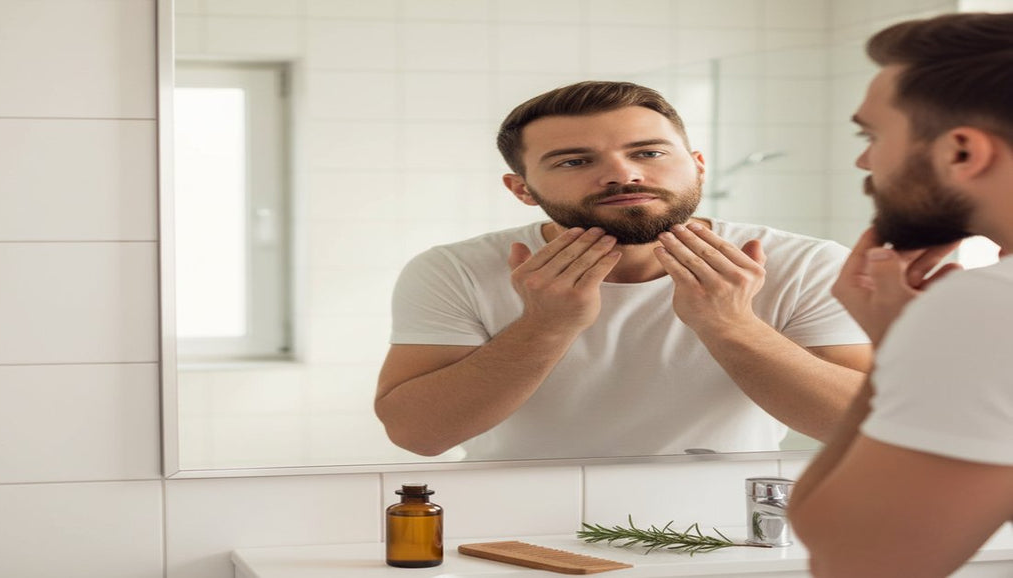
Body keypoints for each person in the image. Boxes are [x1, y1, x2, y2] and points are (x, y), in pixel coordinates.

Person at [374, 80, 871, 460]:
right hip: (516, 530)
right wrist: (546, 324)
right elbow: (418, 435)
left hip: (726, 529)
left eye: (648, 153)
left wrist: (729, 323)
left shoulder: (805, 264)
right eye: (573, 161)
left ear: (697, 164)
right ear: (522, 189)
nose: (623, 174)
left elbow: (861, 425)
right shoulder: (455, 271)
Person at [788, 12, 1013, 578]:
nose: (865, 161)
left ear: (962, 152)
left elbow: (855, 562)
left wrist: (894, 350)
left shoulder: (985, 306)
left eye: (872, 136)